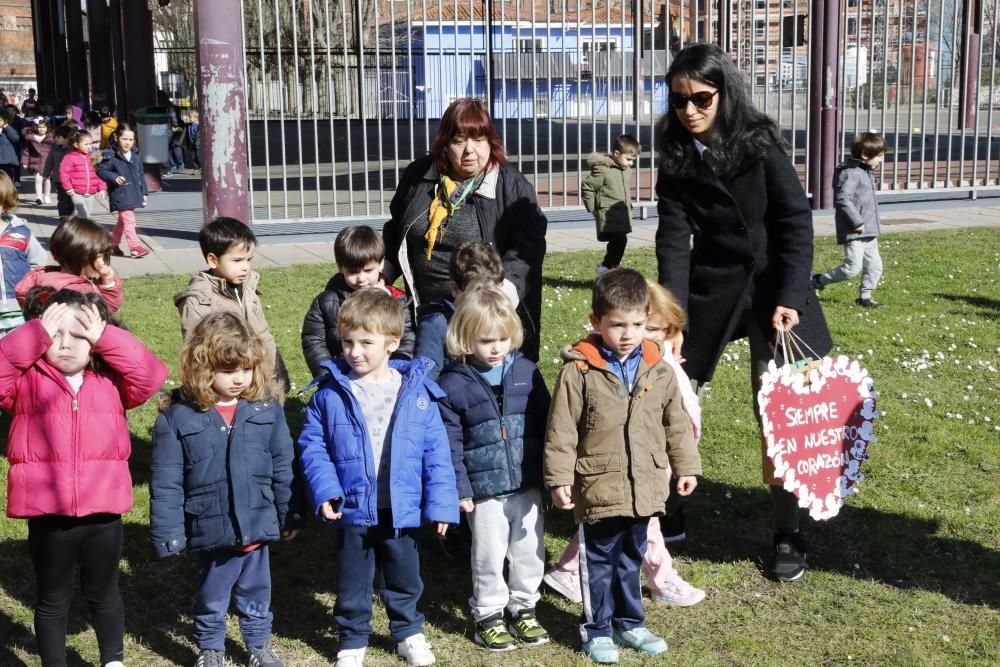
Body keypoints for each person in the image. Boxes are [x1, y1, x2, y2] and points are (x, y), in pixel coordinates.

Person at [654, 43, 832, 583]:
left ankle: (787, 531)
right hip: (712, 288)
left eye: (701, 98)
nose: (690, 110)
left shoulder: (760, 145)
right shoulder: (676, 153)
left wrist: (791, 295)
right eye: (679, 100)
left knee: (778, 409)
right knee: (673, 392)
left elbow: (796, 224)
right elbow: (673, 239)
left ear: (723, 93)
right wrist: (672, 318)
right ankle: (672, 510)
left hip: (774, 291)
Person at [0, 288, 167, 667]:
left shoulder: (110, 381)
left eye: (78, 335)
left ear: (95, 342)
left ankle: (113, 660)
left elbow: (151, 373)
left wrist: (107, 337)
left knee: (104, 593)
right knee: (52, 598)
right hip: (48, 515)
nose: (64, 345)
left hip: (103, 512)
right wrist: (34, 335)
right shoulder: (26, 381)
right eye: (55, 334)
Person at [544, 268, 701, 663]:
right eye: (617, 325)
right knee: (598, 560)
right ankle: (596, 628)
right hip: (598, 483)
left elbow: (676, 423)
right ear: (596, 322)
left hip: (644, 483)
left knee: (631, 558)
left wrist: (686, 467)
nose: (628, 334)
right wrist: (560, 477)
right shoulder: (578, 371)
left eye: (637, 324)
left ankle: (630, 622)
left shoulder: (660, 370)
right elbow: (561, 429)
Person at [297, 288, 458, 667]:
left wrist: (441, 504)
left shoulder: (417, 393)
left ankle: (408, 631)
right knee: (353, 579)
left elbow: (437, 454)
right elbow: (313, 447)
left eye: (366, 342)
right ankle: (353, 639)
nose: (354, 351)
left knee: (404, 574)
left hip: (400, 507)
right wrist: (325, 490)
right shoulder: (330, 393)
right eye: (348, 342)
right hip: (352, 506)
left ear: (392, 343)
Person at [151, 312, 301, 667]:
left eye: (246, 369)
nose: (239, 379)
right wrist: (170, 533)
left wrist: (290, 510)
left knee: (256, 591)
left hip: (257, 519)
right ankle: (211, 648)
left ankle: (259, 644)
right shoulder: (179, 417)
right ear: (203, 367)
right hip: (211, 524)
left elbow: (284, 464)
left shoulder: (266, 409)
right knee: (212, 594)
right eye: (228, 370)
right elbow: (166, 481)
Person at [381, 97, 547, 361]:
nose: (470, 150)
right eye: (459, 141)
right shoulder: (419, 176)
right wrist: (383, 274)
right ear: (445, 145)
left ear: (490, 142)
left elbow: (528, 247)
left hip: (485, 316)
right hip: (428, 313)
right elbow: (395, 228)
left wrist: (499, 300)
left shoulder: (511, 186)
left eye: (479, 140)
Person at [437, 284, 551, 652]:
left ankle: (525, 608)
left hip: (527, 483)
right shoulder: (452, 385)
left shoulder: (526, 373)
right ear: (465, 339)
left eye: (503, 339)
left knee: (529, 548)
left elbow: (548, 424)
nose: (497, 348)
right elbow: (449, 443)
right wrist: (460, 488)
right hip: (484, 491)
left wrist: (551, 476)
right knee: (487, 553)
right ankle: (488, 614)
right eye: (487, 340)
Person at [175, 217, 289, 390]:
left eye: (248, 260)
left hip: (258, 373)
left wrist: (274, 370)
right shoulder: (199, 300)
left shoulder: (248, 287)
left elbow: (263, 332)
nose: (245, 267)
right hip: (227, 380)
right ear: (213, 260)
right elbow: (195, 350)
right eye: (237, 260)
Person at [301, 224, 414, 378]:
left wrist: (395, 371)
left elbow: (406, 339)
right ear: (341, 268)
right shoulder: (326, 301)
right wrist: (328, 375)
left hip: (384, 376)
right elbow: (314, 340)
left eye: (368, 270)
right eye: (353, 272)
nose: (361, 279)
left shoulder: (396, 300)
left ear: (381, 264)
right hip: (341, 376)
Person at [413, 240, 509, 383]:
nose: (487, 299)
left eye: (495, 291)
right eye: (477, 292)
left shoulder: (500, 315)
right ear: (455, 289)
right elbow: (425, 382)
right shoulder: (436, 326)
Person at [812, 132, 887, 309]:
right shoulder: (850, 173)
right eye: (880, 157)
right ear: (865, 156)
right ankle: (817, 280)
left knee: (875, 266)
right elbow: (843, 199)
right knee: (852, 268)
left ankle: (865, 297)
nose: (881, 161)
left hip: (869, 231)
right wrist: (857, 222)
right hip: (855, 231)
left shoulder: (866, 171)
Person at [15, 216, 124, 313]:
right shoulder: (70, 292)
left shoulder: (81, 282)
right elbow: (105, 313)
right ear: (77, 256)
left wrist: (108, 284)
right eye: (98, 257)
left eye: (103, 256)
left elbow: (109, 308)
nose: (102, 263)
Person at [582, 134, 640, 274]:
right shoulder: (602, 169)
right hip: (608, 213)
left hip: (622, 213)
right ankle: (607, 266)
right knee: (620, 239)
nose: (631, 163)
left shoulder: (626, 170)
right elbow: (587, 187)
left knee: (619, 241)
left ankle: (610, 267)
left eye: (633, 160)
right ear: (616, 153)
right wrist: (593, 208)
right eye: (629, 159)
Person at [0, 172, 47, 336]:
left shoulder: (21, 233)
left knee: (16, 354)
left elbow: (39, 263)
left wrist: (26, 290)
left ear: (4, 203)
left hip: (17, 311)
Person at [97, 124, 151, 258]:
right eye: (124, 139)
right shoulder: (110, 155)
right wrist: (114, 177)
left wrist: (144, 193)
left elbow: (140, 176)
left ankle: (112, 245)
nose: (128, 143)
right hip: (120, 194)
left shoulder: (136, 157)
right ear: (116, 138)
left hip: (133, 193)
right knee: (130, 221)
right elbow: (101, 170)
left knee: (123, 221)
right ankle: (135, 247)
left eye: (131, 140)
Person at [59, 129, 107, 219]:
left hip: (91, 193)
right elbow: (64, 174)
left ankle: (71, 226)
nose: (89, 146)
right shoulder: (69, 157)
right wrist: (69, 188)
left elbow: (100, 174)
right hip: (76, 192)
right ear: (76, 144)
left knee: (86, 215)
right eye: (86, 144)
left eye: (90, 144)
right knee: (82, 213)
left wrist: (102, 188)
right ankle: (77, 229)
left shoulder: (93, 156)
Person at [42, 124, 74, 218]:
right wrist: (45, 174)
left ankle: (71, 215)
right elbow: (49, 162)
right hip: (58, 178)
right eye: (55, 137)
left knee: (71, 199)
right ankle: (63, 215)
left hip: (71, 179)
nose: (56, 139)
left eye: (58, 137)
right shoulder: (54, 148)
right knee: (62, 198)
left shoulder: (73, 149)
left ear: (67, 138)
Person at [21, 118, 54, 205]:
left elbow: (54, 150)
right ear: (35, 127)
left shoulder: (51, 138)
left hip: (47, 162)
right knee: (38, 179)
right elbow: (26, 151)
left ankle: (47, 196)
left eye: (44, 127)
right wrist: (25, 161)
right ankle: (39, 196)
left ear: (47, 128)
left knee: (47, 179)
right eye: (39, 127)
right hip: (36, 161)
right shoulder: (31, 138)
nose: (42, 129)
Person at [0, 107, 20, 183]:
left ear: (5, 120)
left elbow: (16, 138)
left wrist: (6, 126)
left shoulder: (8, 129)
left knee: (7, 181)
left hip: (6, 161)